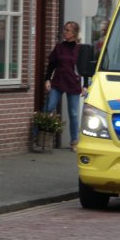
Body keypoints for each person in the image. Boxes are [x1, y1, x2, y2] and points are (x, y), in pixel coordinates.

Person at [44, 21, 85, 151]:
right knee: (48, 107)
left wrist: (86, 85)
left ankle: (74, 141)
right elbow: (51, 65)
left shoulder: (80, 49)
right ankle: (38, 135)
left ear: (74, 33)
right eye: (65, 29)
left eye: (68, 30)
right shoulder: (59, 47)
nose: (65, 32)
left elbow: (85, 69)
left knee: (73, 113)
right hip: (58, 81)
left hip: (73, 82)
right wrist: (47, 79)